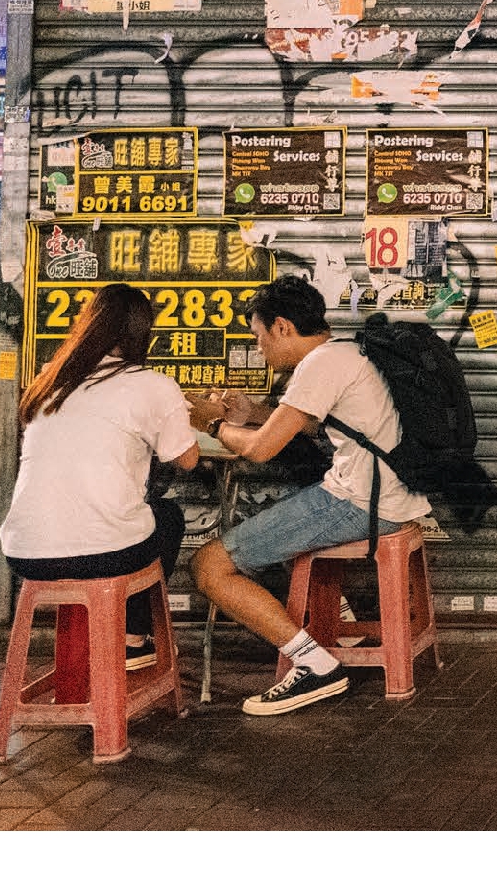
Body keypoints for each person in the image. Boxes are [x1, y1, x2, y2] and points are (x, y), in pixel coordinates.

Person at [187, 276, 430, 717]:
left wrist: (211, 423)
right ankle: (338, 625)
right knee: (283, 529)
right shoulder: (346, 352)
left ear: (281, 327)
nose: (260, 351)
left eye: (259, 338)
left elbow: (261, 450)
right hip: (387, 496)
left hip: (360, 502)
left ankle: (315, 663)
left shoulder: (319, 364)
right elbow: (321, 424)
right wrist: (257, 414)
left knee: (209, 565)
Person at [0, 285, 199, 671]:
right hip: (104, 555)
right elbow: (187, 459)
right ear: (143, 332)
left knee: (125, 520)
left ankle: (104, 655)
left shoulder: (51, 382)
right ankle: (132, 640)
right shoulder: (152, 385)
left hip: (25, 553)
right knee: (168, 517)